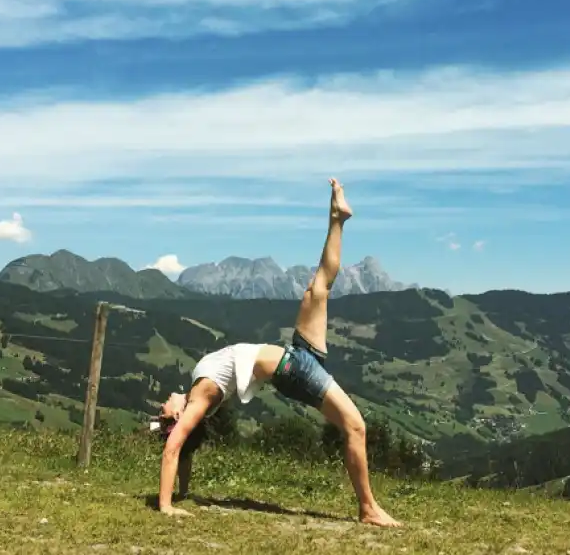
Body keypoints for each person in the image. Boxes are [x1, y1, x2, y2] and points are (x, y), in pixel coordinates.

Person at [156, 178, 401, 528]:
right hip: (292, 369)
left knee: (319, 287)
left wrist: (182, 491)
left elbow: (183, 450)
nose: (161, 408)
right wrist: (166, 505)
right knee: (356, 427)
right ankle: (368, 509)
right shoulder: (199, 397)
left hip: (294, 355)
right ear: (177, 419)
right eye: (164, 416)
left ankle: (337, 218)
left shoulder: (196, 386)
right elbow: (174, 448)